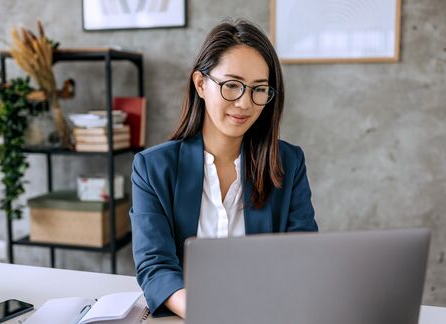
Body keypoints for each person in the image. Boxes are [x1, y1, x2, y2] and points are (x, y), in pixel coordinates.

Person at [129, 19, 318, 318]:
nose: (245, 103)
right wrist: (207, 312)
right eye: (232, 85)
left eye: (259, 89)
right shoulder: (153, 168)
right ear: (201, 84)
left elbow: (303, 258)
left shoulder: (288, 163)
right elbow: (156, 267)